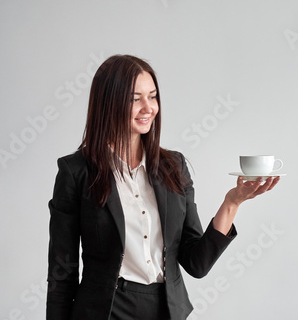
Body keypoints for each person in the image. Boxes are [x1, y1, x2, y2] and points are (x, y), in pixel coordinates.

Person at [46, 54, 281, 320]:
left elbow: (196, 263)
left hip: (167, 310)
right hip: (105, 311)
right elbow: (61, 274)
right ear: (108, 103)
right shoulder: (76, 171)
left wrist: (232, 202)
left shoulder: (174, 167)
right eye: (135, 99)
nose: (148, 107)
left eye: (153, 96)